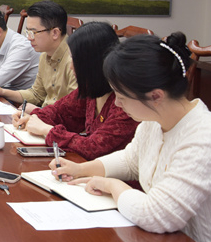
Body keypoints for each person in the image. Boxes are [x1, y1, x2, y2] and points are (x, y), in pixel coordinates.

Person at [52, 32, 211, 242]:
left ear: (156, 96)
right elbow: (131, 160)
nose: (117, 103)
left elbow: (157, 215)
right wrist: (82, 169)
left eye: (121, 96)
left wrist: (112, 185)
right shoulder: (153, 121)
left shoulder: (207, 138)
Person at [11, 21, 138, 160]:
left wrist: (47, 130)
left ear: (92, 63)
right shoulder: (90, 90)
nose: (71, 66)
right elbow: (59, 112)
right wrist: (34, 118)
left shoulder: (125, 103)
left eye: (74, 60)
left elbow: (93, 148)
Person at [0, 1, 77, 110]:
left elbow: (74, 110)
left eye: (33, 33)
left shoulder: (75, 61)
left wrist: (37, 112)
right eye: (27, 32)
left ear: (55, 33)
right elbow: (36, 94)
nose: (29, 38)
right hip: (45, 116)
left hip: (56, 119)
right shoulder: (44, 56)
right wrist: (2, 92)